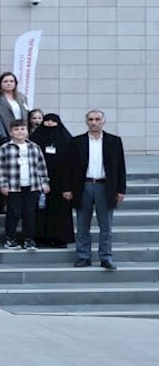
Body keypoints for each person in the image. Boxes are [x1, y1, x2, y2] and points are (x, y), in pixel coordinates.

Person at [63, 109, 127, 270]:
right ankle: (83, 256)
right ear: (86, 122)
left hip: (105, 186)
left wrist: (121, 190)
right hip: (83, 186)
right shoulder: (77, 142)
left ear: (103, 121)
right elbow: (68, 167)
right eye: (91, 119)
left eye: (97, 119)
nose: (94, 122)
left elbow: (120, 167)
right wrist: (67, 188)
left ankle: (106, 257)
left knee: (106, 226)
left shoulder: (114, 141)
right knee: (83, 224)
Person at [0, 119, 49, 251]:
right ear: (11, 132)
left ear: (27, 131)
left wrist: (44, 182)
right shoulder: (5, 148)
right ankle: (10, 238)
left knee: (30, 213)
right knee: (13, 213)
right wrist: (3, 184)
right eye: (16, 129)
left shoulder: (34, 147)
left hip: (32, 185)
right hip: (14, 186)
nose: (20, 132)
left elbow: (41, 166)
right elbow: (1, 168)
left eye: (22, 129)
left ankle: (29, 239)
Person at [31, 113, 75, 249]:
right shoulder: (34, 139)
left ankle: (60, 238)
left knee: (59, 210)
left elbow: (72, 163)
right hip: (38, 180)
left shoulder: (67, 139)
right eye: (47, 121)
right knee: (39, 210)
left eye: (53, 121)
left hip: (60, 182)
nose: (49, 123)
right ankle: (38, 237)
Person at [0, 72, 29, 146]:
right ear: (0, 84)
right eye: (5, 81)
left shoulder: (21, 97)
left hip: (20, 132)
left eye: (11, 81)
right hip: (2, 133)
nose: (9, 83)